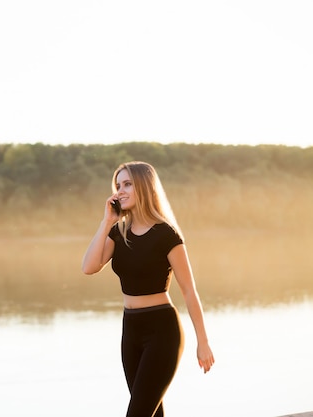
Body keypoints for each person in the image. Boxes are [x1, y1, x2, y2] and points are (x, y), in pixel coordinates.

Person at [81, 161, 214, 417]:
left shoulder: (167, 234)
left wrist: (203, 342)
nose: (120, 191)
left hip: (162, 332)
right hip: (130, 331)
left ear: (144, 186)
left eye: (128, 184)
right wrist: (106, 220)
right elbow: (89, 267)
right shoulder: (118, 233)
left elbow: (189, 290)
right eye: (118, 185)